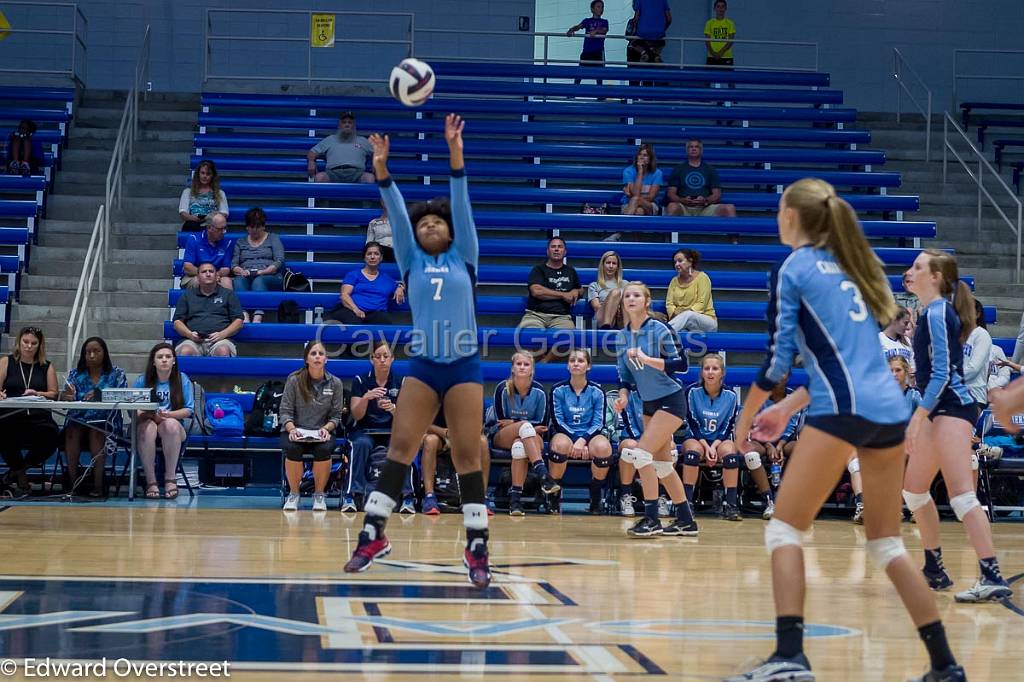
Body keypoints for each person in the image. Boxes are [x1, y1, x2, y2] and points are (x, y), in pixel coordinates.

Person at [727, 179, 962, 682]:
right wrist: (790, 407)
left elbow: (776, 361)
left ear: (790, 216)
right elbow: (848, 360)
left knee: (785, 529)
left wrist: (744, 422)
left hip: (844, 410)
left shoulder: (793, 267)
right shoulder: (852, 269)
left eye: (778, 208)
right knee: (887, 544)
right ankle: (945, 664)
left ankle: (790, 656)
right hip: (887, 412)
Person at [343, 114, 493, 588]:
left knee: (469, 455)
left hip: (465, 366)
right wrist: (382, 169)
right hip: (425, 367)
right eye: (422, 222)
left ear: (449, 232)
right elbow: (395, 208)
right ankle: (372, 535)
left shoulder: (464, 255)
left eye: (436, 222)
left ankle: (477, 548)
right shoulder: (408, 259)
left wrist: (456, 149)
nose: (428, 226)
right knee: (400, 449)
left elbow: (461, 199)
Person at [902, 249, 1012, 605]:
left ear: (934, 277)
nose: (910, 270)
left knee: (962, 495)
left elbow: (942, 374)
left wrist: (917, 417)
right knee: (914, 492)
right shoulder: (926, 312)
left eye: (918, 266)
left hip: (951, 407)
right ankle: (934, 569)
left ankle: (991, 574)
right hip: (939, 408)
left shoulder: (937, 313)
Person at [613, 281, 698, 537]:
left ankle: (651, 519)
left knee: (641, 455)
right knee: (662, 466)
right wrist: (624, 395)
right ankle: (686, 520)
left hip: (671, 400)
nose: (631, 299)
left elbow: (682, 365)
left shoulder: (660, 329)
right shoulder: (622, 336)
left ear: (646, 301)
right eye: (627, 295)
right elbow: (625, 376)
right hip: (648, 402)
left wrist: (646, 358)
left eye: (637, 295)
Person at [342, 341, 415, 514]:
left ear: (392, 359)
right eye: (378, 356)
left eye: (386, 356)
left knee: (403, 446)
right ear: (371, 359)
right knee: (360, 444)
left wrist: (394, 410)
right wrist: (366, 398)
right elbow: (357, 415)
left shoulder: (402, 382)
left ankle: (407, 498)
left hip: (392, 430)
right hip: (365, 430)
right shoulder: (361, 380)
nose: (382, 360)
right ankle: (352, 495)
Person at [489, 351, 558, 516]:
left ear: (532, 370)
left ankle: (515, 501)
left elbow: (543, 424)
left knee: (520, 446)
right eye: (518, 364)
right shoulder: (502, 389)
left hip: (532, 438)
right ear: (512, 368)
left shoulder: (540, 391)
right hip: (503, 435)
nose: (522, 367)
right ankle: (543, 474)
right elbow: (500, 421)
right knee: (526, 427)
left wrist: (516, 423)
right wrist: (522, 425)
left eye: (526, 364)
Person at [681, 354, 748, 521]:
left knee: (731, 454)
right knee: (692, 452)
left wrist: (715, 445)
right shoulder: (691, 392)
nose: (710, 372)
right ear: (701, 372)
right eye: (706, 368)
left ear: (722, 373)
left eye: (715, 368)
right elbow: (692, 422)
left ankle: (730, 505)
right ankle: (686, 503)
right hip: (696, 438)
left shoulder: (731, 395)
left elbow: (728, 425)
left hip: (719, 439)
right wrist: (706, 446)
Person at [280, 341, 345, 512]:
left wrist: (327, 428)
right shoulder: (294, 380)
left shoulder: (336, 383)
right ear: (306, 359)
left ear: (326, 359)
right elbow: (285, 411)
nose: (317, 357)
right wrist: (291, 429)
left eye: (321, 354)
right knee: (292, 448)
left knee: (324, 450)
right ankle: (294, 494)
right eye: (313, 353)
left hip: (322, 431)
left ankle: (319, 494)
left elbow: (336, 416)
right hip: (296, 429)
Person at [60, 337, 128, 497]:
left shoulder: (116, 374)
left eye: (96, 351)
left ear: (105, 353)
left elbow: (124, 396)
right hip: (78, 420)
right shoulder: (76, 374)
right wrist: (66, 397)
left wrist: (102, 394)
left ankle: (98, 485)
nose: (91, 355)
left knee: (96, 432)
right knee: (71, 431)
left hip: (106, 423)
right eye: (88, 352)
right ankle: (73, 482)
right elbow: (64, 400)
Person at [549, 349, 613, 514]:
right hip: (566, 433)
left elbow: (599, 422)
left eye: (580, 360)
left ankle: (596, 494)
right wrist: (575, 439)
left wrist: (583, 440)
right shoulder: (558, 390)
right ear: (567, 366)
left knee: (603, 448)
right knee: (560, 445)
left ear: (588, 366)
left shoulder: (597, 391)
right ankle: (554, 495)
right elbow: (557, 420)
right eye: (572, 360)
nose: (576, 363)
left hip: (589, 435)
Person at [0, 326, 59, 494]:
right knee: (3, 430)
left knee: (51, 434)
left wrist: (38, 393)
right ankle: (21, 475)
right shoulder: (6, 362)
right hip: (10, 416)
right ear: (19, 342)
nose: (28, 346)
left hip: (38, 418)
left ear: (40, 345)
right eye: (25, 342)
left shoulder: (46, 366)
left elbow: (54, 394)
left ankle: (17, 471)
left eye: (33, 343)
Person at [133, 343, 194, 500]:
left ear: (174, 361)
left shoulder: (182, 380)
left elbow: (188, 410)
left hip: (172, 425)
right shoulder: (142, 381)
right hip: (148, 421)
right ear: (153, 362)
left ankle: (170, 478)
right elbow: (134, 410)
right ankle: (151, 481)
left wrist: (168, 415)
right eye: (160, 357)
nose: (164, 360)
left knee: (171, 425)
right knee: (148, 427)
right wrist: (150, 415)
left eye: (168, 357)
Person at [744, 376, 803, 520]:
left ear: (788, 376)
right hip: (762, 441)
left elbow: (792, 425)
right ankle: (769, 501)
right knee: (750, 454)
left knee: (805, 452)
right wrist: (769, 445)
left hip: (786, 441)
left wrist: (780, 445)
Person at [421, 409, 494, 516]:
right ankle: (429, 496)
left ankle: (481, 497)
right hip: (439, 433)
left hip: (464, 435)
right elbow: (422, 423)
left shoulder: (471, 394)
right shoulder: (434, 394)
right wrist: (445, 433)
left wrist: (460, 437)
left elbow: (479, 426)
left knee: (482, 442)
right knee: (430, 441)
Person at [172, 262, 244, 358]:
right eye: (204, 272)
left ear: (217, 276)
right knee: (185, 351)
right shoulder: (187, 295)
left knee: (223, 351)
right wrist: (189, 334)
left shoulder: (228, 294)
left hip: (221, 340)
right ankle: (184, 374)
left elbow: (239, 321)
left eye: (211, 271)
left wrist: (223, 334)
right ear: (197, 277)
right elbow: (177, 322)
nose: (208, 274)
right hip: (192, 340)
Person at [325, 241, 404, 325]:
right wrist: (356, 310)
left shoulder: (387, 279)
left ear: (381, 258)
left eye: (376, 254)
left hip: (375, 314)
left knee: (384, 322)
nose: (372, 257)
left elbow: (408, 282)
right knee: (354, 324)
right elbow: (344, 295)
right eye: (369, 254)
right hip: (351, 310)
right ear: (364, 257)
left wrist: (400, 287)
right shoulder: (353, 275)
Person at [231, 207, 284, 324]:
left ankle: (258, 315)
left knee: (259, 281)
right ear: (247, 227)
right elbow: (234, 264)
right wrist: (240, 270)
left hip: (271, 275)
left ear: (263, 226)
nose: (255, 230)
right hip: (247, 274)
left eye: (258, 227)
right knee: (238, 281)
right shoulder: (240, 242)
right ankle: (244, 314)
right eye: (251, 227)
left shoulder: (273, 238)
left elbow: (279, 261)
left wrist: (264, 271)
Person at [518, 237, 583, 331]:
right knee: (531, 337)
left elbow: (580, 289)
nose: (556, 249)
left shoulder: (570, 271)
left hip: (561, 317)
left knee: (567, 340)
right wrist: (563, 295)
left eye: (560, 247)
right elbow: (537, 291)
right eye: (553, 246)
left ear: (565, 252)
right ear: (548, 251)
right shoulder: (538, 269)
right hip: (535, 315)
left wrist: (576, 291)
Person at [665, 139, 736, 218]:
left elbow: (717, 194)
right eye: (691, 147)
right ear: (686, 150)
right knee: (672, 206)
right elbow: (671, 194)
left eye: (696, 147)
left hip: (705, 207)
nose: (693, 149)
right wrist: (683, 200)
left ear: (701, 150)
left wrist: (705, 200)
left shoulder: (710, 169)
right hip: (684, 207)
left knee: (729, 208)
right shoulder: (678, 169)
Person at [307, 112, 374, 184]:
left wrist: (376, 163)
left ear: (354, 126)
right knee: (320, 177)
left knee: (369, 178)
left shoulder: (363, 140)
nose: (347, 124)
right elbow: (312, 152)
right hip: (333, 173)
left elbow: (377, 153)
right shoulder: (330, 139)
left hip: (357, 173)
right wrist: (311, 162)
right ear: (339, 125)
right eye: (344, 122)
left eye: (350, 122)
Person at [666, 248, 717, 333]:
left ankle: (661, 334)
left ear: (690, 261)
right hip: (683, 321)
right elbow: (669, 304)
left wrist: (683, 312)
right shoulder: (674, 281)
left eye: (680, 261)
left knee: (688, 315)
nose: (676, 264)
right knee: (681, 333)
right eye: (675, 262)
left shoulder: (703, 278)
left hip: (706, 321)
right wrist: (675, 313)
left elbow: (701, 304)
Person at [181, 213, 234, 289]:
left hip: (217, 275)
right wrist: (206, 275)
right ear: (209, 228)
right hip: (195, 275)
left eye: (225, 228)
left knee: (227, 282)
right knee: (197, 281)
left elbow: (226, 269)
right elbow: (188, 267)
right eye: (220, 229)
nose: (224, 232)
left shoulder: (227, 242)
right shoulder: (194, 239)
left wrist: (214, 275)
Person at [567, 0, 609, 85]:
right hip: (587, 51)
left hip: (598, 52)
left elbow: (604, 30)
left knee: (599, 75)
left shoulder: (604, 21)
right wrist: (571, 30)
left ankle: (600, 95)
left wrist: (596, 31)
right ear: (592, 9)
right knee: (580, 73)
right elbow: (579, 26)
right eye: (598, 7)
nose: (601, 9)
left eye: (602, 7)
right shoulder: (587, 21)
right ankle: (573, 92)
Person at [179, 159, 228, 231]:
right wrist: (196, 219)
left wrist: (209, 218)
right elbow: (183, 213)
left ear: (212, 176)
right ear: (198, 174)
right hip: (193, 223)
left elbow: (224, 213)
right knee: (190, 225)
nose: (205, 176)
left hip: (212, 224)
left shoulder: (220, 193)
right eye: (202, 173)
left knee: (214, 227)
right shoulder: (187, 192)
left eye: (208, 174)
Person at [963, 298, 993, 410]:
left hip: (974, 394)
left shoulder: (982, 335)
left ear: (977, 314)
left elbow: (974, 369)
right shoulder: (956, 334)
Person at [621, 144, 663, 216]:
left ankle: (623, 225)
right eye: (640, 154)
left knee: (636, 199)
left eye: (645, 155)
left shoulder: (657, 173)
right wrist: (640, 171)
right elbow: (636, 194)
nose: (641, 157)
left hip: (649, 205)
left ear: (650, 159)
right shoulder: (628, 171)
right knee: (639, 211)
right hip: (628, 204)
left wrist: (631, 196)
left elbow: (651, 197)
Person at [588, 250, 625, 330]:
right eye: (608, 263)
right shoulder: (594, 285)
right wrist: (613, 308)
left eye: (614, 263)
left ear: (618, 267)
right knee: (616, 292)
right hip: (602, 317)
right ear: (602, 265)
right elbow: (596, 307)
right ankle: (606, 327)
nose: (611, 266)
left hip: (621, 318)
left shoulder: (625, 284)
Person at [630, 0, 672, 65]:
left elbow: (636, 18)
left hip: (643, 31)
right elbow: (669, 19)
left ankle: (644, 53)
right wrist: (663, 29)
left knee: (633, 42)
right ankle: (655, 55)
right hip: (659, 32)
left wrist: (635, 28)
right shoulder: (663, 1)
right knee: (661, 42)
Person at [879, 306, 915, 376]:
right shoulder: (879, 339)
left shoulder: (907, 340)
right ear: (894, 320)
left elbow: (912, 368)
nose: (907, 327)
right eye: (905, 323)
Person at [704, 0, 736, 68]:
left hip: (726, 57)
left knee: (727, 78)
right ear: (714, 9)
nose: (720, 9)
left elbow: (730, 41)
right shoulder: (709, 23)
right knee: (710, 78)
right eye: (718, 7)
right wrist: (713, 53)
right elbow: (707, 41)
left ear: (725, 8)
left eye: (722, 6)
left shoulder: (730, 23)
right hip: (712, 56)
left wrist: (720, 53)